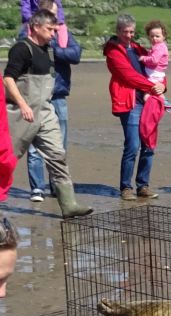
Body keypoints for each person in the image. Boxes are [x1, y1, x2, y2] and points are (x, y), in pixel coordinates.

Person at [4, 9, 92, 219]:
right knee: (5, 160)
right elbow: (8, 79)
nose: (53, 34)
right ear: (35, 27)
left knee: (57, 156)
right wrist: (23, 105)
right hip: (20, 114)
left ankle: (69, 204)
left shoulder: (49, 50)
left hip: (45, 112)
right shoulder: (22, 49)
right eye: (50, 29)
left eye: (55, 29)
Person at [21, 0, 82, 203]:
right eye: (49, 13)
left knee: (59, 146)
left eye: (56, 14)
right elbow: (24, 56)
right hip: (35, 97)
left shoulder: (63, 32)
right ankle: (37, 188)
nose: (54, 19)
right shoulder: (28, 34)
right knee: (33, 144)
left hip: (59, 94)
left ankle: (58, 186)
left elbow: (76, 54)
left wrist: (53, 49)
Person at [103, 14, 165, 201]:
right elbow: (128, 75)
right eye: (125, 31)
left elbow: (156, 70)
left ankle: (143, 185)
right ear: (118, 31)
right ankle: (126, 187)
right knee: (132, 145)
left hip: (148, 101)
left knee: (149, 145)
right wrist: (151, 87)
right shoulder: (114, 52)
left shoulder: (138, 48)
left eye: (131, 31)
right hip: (129, 103)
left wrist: (163, 85)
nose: (129, 35)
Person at [138, 19, 171, 111]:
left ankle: (164, 102)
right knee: (148, 95)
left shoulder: (160, 47)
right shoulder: (158, 47)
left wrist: (143, 58)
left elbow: (154, 60)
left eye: (157, 36)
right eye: (152, 36)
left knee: (147, 95)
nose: (154, 38)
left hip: (154, 74)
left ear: (164, 36)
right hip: (156, 73)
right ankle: (158, 104)